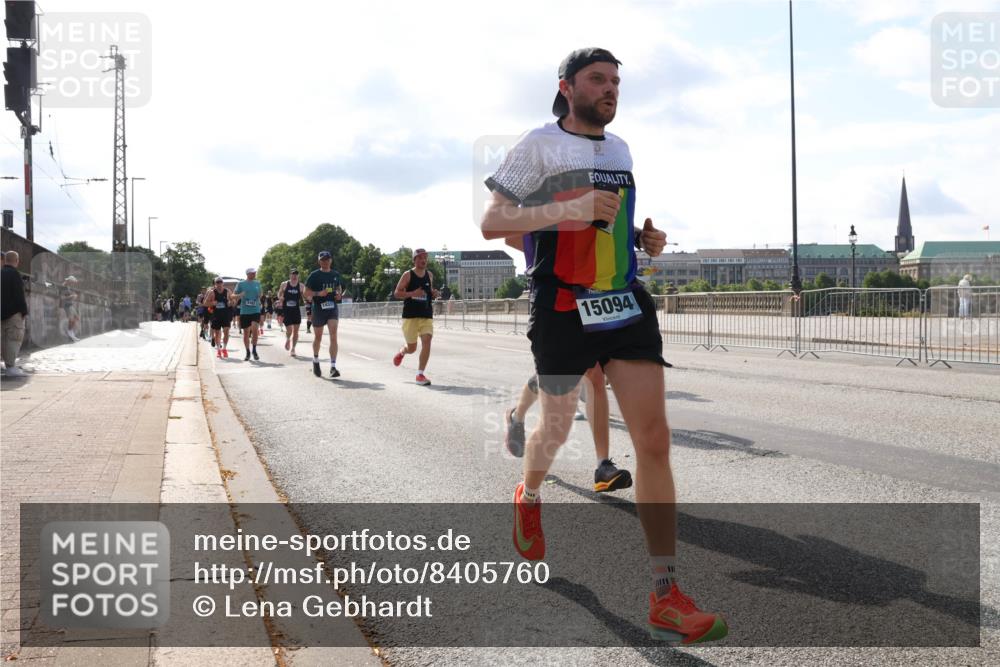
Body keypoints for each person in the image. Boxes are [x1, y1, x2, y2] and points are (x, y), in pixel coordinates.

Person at [480, 48, 727, 644]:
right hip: (562, 304)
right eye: (599, 79)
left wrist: (645, 238)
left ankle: (665, 593)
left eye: (617, 81)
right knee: (557, 429)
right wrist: (567, 207)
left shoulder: (620, 150)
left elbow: (608, 226)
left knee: (654, 440)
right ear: (567, 86)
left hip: (622, 301)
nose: (611, 89)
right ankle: (529, 492)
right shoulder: (537, 145)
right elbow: (493, 223)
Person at [392, 248, 440, 386]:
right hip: (410, 316)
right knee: (412, 348)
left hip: (426, 314)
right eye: (420, 257)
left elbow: (428, 292)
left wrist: (434, 293)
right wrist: (413, 293)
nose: (423, 260)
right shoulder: (408, 275)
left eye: (425, 257)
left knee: (427, 340)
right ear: (414, 260)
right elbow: (397, 293)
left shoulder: (429, 275)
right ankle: (402, 352)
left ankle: (420, 374)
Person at [304, 250, 345, 378]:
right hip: (318, 309)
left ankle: (333, 367)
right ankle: (316, 360)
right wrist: (317, 293)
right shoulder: (314, 275)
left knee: (333, 336)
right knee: (318, 337)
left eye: (327, 259)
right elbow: (306, 292)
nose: (325, 262)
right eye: (323, 260)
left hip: (332, 307)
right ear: (319, 261)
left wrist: (339, 294)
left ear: (331, 260)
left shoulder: (335, 274)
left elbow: (339, 288)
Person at [1, 251, 28, 377]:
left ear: (5, 260)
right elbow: (19, 295)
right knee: (13, 339)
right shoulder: (15, 274)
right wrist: (23, 312)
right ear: (16, 261)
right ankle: (10, 367)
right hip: (13, 314)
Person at [234, 268, 263, 361]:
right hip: (245, 311)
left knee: (255, 330)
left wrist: (259, 296)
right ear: (248, 274)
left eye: (255, 272)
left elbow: (260, 293)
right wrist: (240, 295)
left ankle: (254, 350)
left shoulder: (257, 283)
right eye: (253, 273)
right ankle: (248, 352)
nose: (254, 274)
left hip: (255, 310)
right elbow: (232, 295)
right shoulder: (241, 284)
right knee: (246, 333)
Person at [276, 268, 304, 356]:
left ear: (298, 276)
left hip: (296, 310)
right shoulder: (284, 284)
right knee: (289, 330)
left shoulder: (301, 286)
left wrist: (309, 299)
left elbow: (305, 296)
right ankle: (288, 339)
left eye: (296, 274)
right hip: (287, 310)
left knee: (296, 331)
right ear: (290, 275)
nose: (294, 276)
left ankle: (293, 349)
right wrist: (280, 297)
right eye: (293, 274)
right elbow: (279, 293)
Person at [209, 277, 233, 357]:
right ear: (215, 284)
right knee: (217, 333)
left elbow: (234, 301)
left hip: (226, 315)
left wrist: (231, 302)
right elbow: (205, 303)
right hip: (216, 315)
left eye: (220, 282)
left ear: (223, 283)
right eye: (217, 282)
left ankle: (224, 349)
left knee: (226, 332)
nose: (219, 284)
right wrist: (212, 303)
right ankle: (219, 349)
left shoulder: (228, 291)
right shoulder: (212, 292)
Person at [59, 276, 81, 342]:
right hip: (67, 305)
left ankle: (71, 332)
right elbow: (62, 297)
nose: (73, 284)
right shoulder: (63, 286)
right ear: (69, 281)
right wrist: (72, 296)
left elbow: (68, 296)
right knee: (71, 319)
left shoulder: (68, 286)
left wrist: (73, 296)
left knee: (76, 318)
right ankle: (70, 333)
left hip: (70, 304)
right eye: (72, 282)